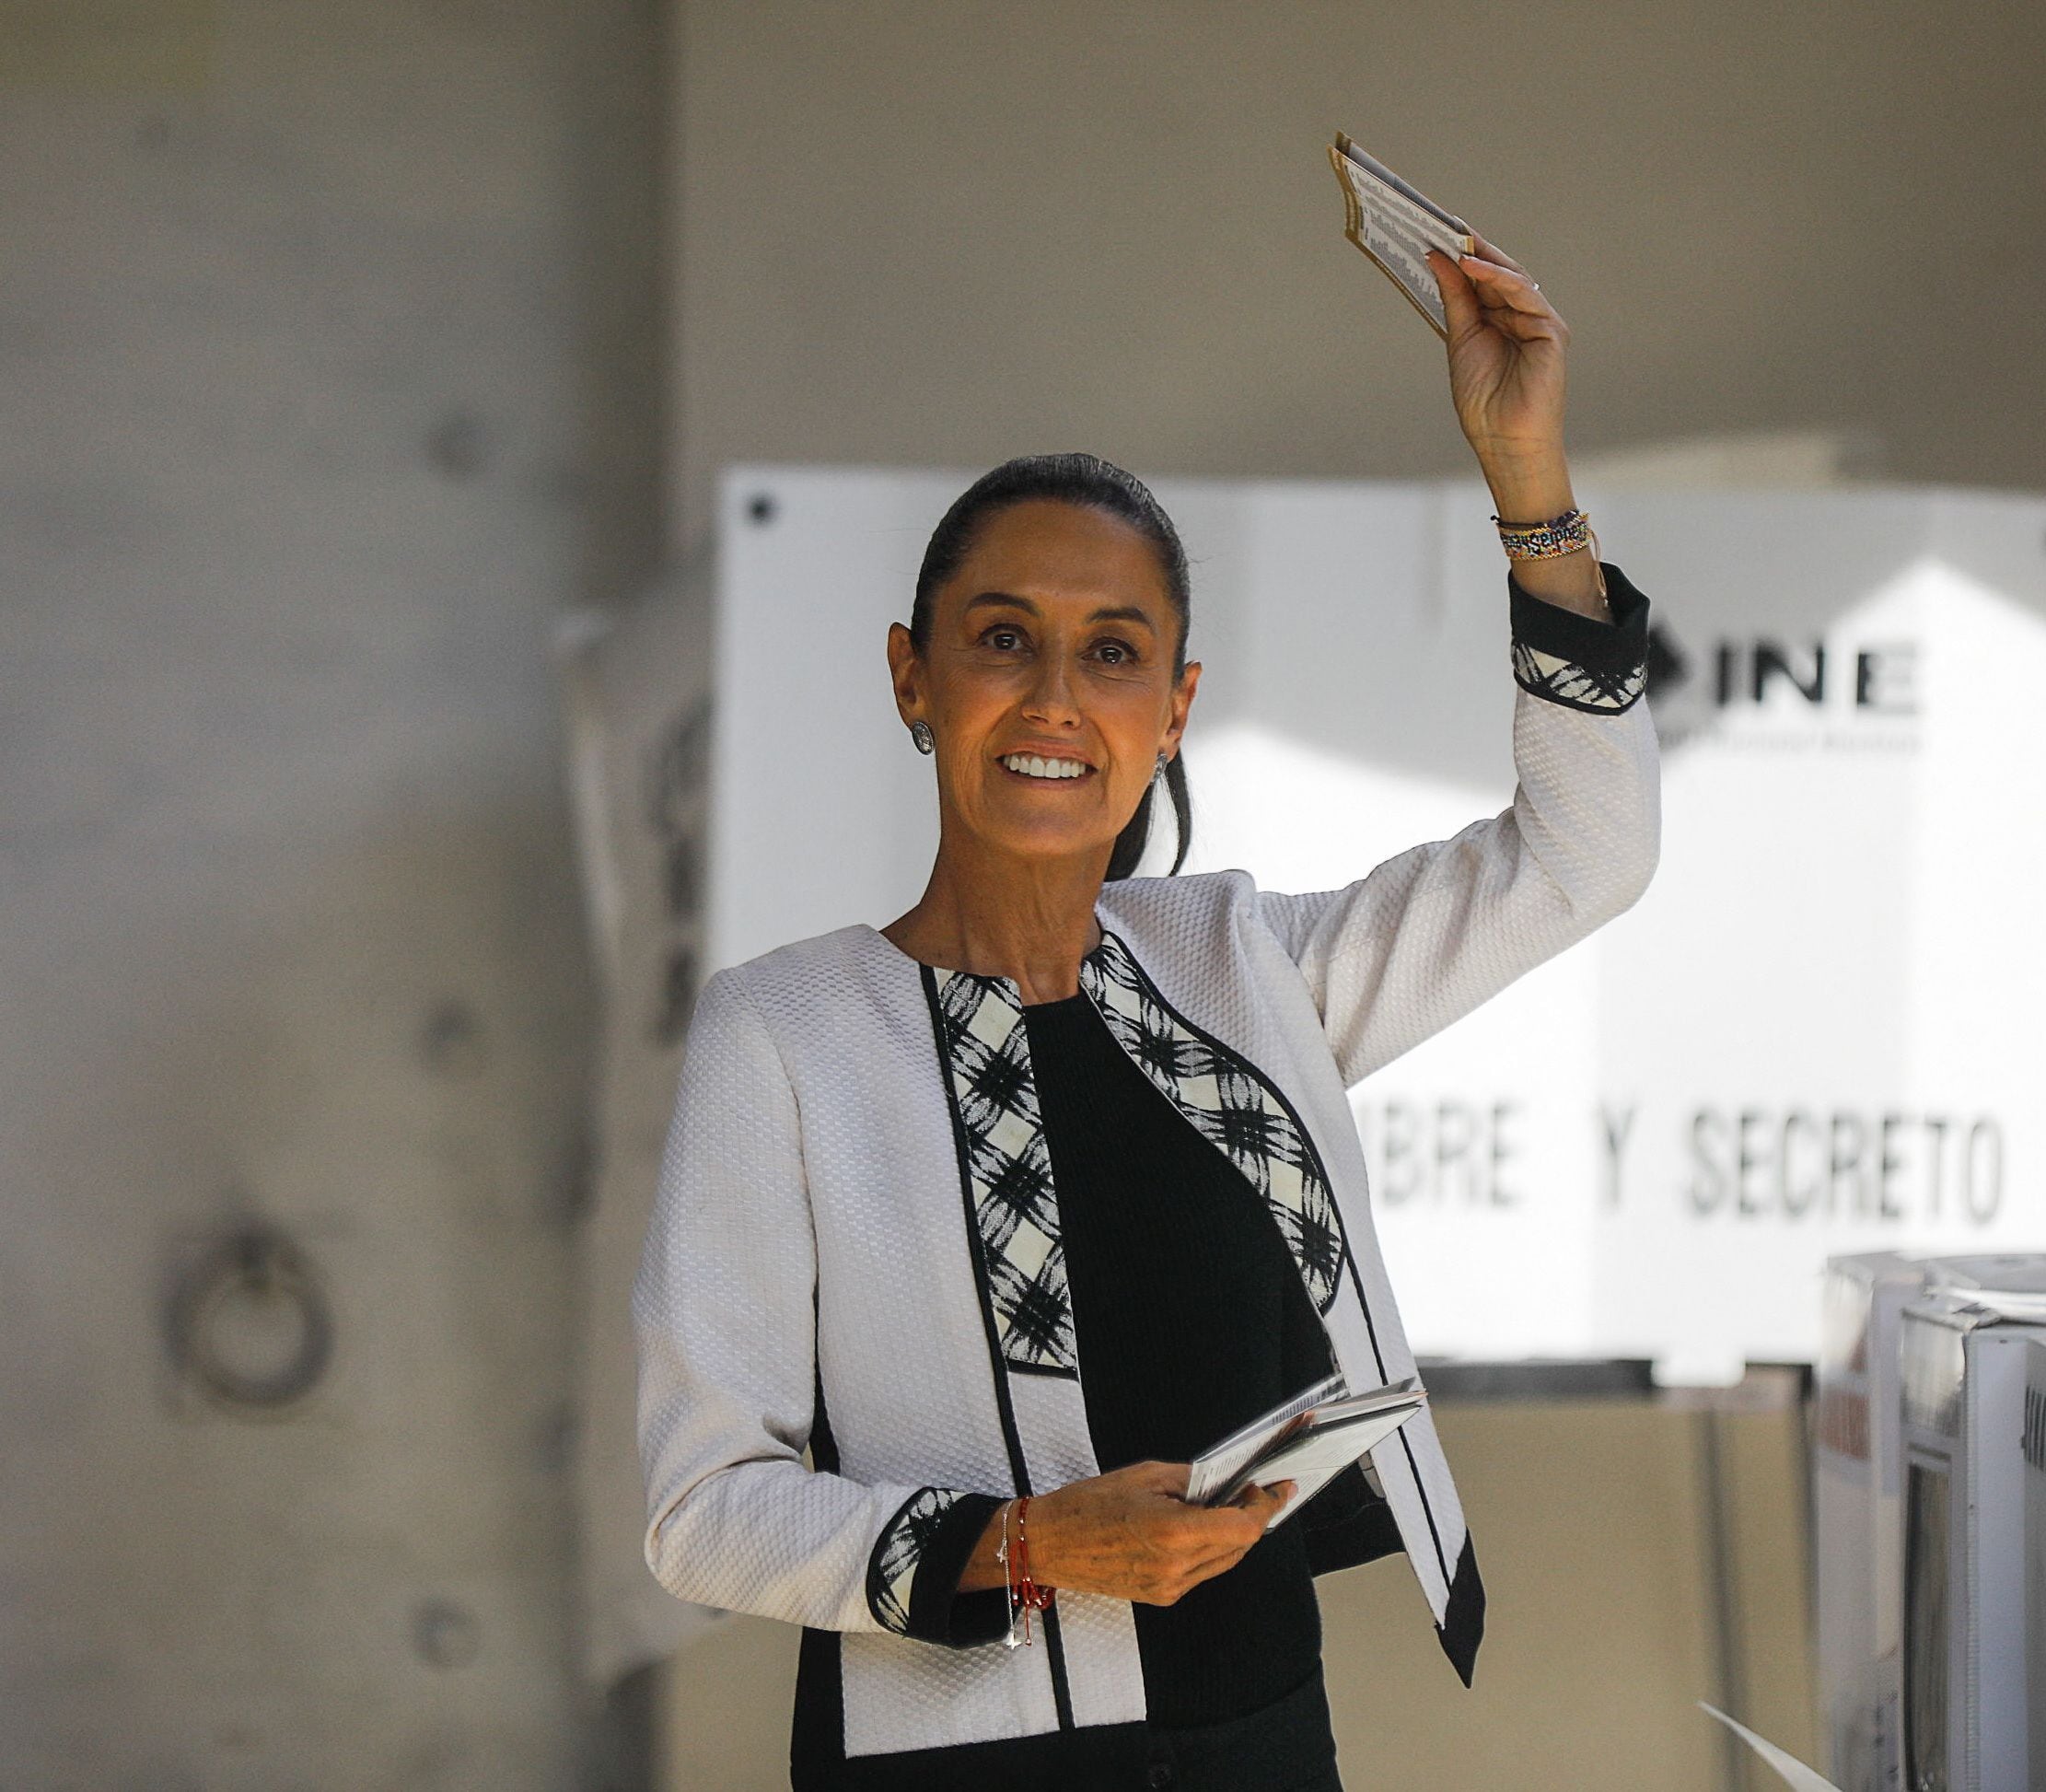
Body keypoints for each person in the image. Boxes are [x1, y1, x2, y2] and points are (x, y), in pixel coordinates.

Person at [633, 239, 1658, 1791]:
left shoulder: (1244, 969)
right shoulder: (783, 1036)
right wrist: (1027, 1544)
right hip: (951, 1758)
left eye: (1110, 652)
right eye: (1000, 639)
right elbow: (701, 1508)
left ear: (1171, 705)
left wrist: (1528, 480)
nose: (1053, 696)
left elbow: (1583, 855)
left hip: (1257, 1736)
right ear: (913, 681)